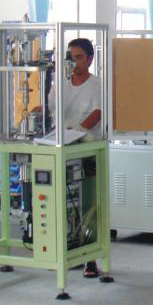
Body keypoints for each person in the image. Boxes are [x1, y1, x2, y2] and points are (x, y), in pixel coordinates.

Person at [36, 38, 102, 278]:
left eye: (79, 57)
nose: (74, 63)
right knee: (61, 201)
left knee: (89, 203)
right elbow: (50, 109)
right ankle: (66, 249)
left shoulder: (97, 85)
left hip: (87, 148)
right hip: (63, 146)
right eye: (70, 58)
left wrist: (79, 131)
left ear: (90, 59)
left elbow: (98, 112)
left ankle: (90, 258)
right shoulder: (61, 84)